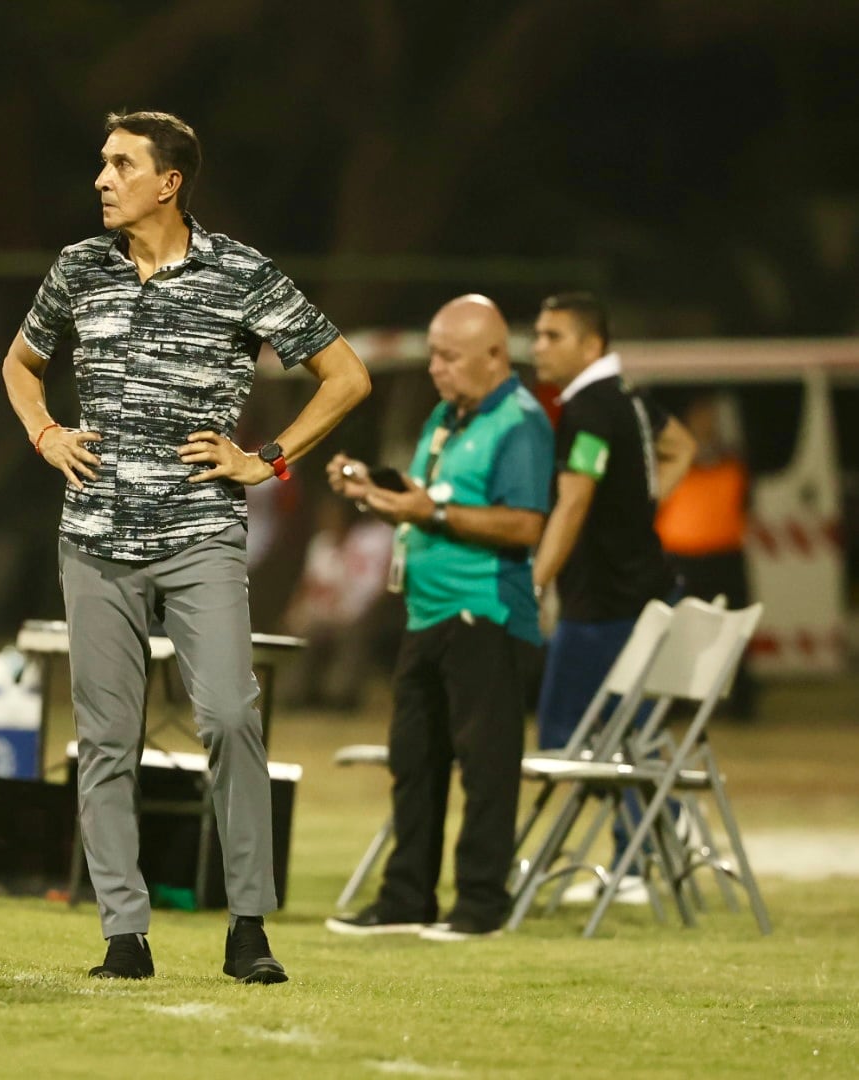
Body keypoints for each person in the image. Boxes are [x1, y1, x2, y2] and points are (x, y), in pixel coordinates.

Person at [2, 111, 371, 982]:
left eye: (120, 164)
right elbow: (20, 364)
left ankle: (249, 927)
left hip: (200, 534)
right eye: (101, 162)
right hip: (92, 536)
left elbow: (346, 374)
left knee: (232, 716)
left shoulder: (240, 272)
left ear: (168, 183)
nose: (101, 178)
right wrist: (45, 434)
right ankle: (125, 938)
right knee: (105, 741)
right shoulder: (78, 268)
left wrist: (266, 459)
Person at [324, 295, 552, 942]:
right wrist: (373, 487)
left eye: (451, 357)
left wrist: (433, 518)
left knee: (485, 767)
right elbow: (427, 498)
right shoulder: (447, 419)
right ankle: (406, 898)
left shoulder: (520, 421)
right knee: (414, 761)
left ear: (495, 356)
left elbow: (525, 523)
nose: (437, 369)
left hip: (485, 612)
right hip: (426, 613)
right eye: (433, 357)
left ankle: (481, 905)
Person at [529, 291, 695, 905]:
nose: (537, 345)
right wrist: (637, 505)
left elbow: (573, 503)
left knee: (565, 739)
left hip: (605, 604)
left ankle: (639, 852)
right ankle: (645, 845)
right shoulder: (624, 396)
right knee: (627, 737)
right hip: (643, 592)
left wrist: (536, 580)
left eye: (552, 336)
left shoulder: (590, 408)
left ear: (590, 345)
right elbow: (681, 447)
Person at [655, 392, 756, 718]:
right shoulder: (673, 460)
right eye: (700, 417)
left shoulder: (733, 461)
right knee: (680, 634)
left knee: (735, 632)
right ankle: (673, 704)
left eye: (711, 417)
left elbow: (744, 502)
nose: (706, 424)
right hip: (680, 557)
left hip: (725, 555)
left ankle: (741, 701)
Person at [279, 494, 398, 711]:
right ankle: (295, 695)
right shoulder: (321, 543)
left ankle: (339, 695)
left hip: (351, 613)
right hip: (322, 614)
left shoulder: (358, 543)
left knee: (350, 635)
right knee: (306, 632)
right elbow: (308, 584)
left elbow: (362, 587)